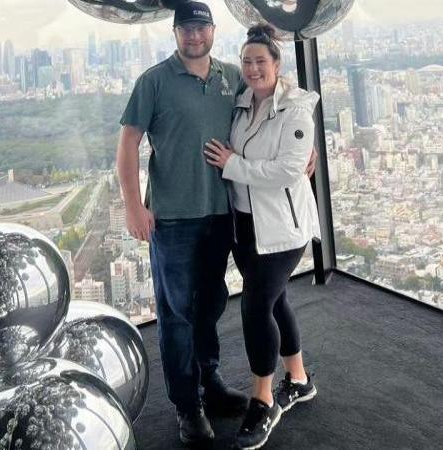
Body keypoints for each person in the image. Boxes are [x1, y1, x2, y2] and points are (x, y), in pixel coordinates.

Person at [116, 1, 250, 446]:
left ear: (213, 31)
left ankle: (209, 382)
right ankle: (186, 405)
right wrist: (135, 207)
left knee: (211, 305)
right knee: (176, 316)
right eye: (186, 29)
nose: (194, 36)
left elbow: (274, 99)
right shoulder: (153, 81)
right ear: (175, 34)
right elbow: (128, 145)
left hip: (219, 212)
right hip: (172, 219)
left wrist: (303, 146)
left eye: (201, 28)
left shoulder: (231, 76)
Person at [204, 23, 320, 450]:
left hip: (284, 230)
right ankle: (300, 379)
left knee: (255, 306)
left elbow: (288, 170)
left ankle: (263, 399)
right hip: (246, 224)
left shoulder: (295, 111)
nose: (253, 69)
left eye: (260, 61)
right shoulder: (241, 104)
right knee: (275, 300)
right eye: (247, 62)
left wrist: (233, 164)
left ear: (277, 64)